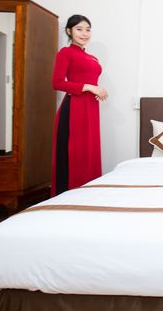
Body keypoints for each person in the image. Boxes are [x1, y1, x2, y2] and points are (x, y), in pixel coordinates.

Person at [51, 14, 107, 196]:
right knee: (75, 151)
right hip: (75, 108)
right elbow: (57, 83)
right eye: (79, 29)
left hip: (91, 108)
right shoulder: (65, 53)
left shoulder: (92, 57)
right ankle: (68, 195)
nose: (84, 33)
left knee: (89, 151)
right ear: (69, 31)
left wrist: (97, 90)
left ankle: (88, 193)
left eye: (88, 29)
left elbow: (90, 79)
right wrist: (89, 87)